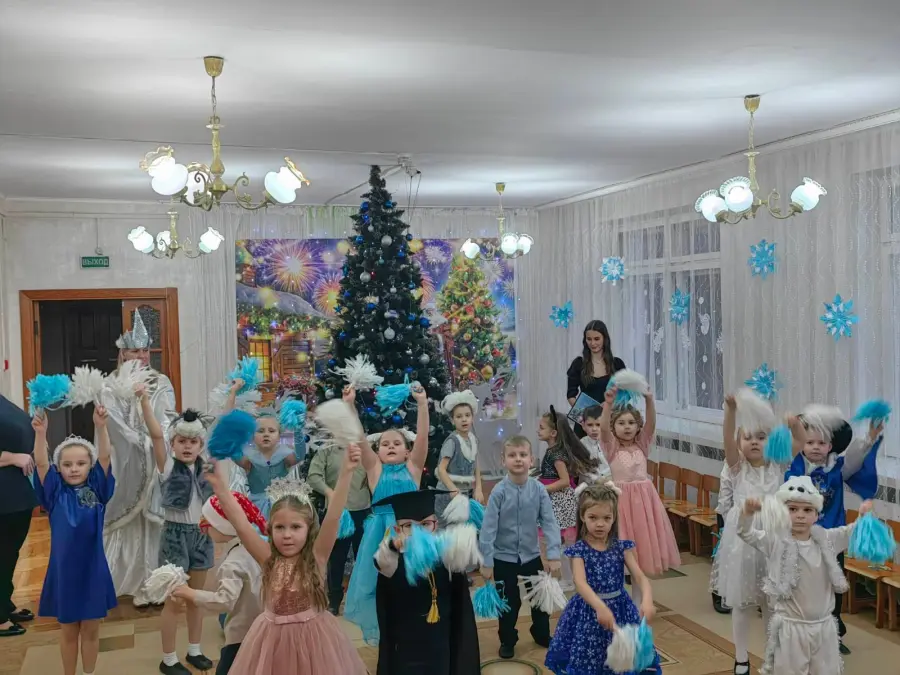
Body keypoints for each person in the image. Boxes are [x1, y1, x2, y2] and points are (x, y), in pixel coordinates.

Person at [205, 446, 368, 675]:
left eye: (296, 527)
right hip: (272, 642)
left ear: (309, 529)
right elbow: (241, 524)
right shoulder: (267, 557)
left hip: (315, 640)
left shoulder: (317, 556)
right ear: (270, 529)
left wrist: (347, 472)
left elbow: (333, 515)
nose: (287, 535)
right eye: (280, 527)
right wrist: (220, 488)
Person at [738, 476, 871, 675]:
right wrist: (747, 513)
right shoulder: (775, 541)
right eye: (792, 509)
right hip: (791, 629)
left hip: (823, 628)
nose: (800, 515)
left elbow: (851, 532)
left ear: (816, 515)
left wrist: (862, 516)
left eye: (807, 510)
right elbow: (746, 533)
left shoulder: (827, 540)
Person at [785, 406, 883, 655]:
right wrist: (794, 428)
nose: (816, 447)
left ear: (830, 446)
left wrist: (870, 437)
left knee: (834, 588)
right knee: (803, 586)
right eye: (810, 442)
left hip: (832, 539)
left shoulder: (838, 468)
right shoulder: (797, 467)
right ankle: (801, 631)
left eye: (822, 443)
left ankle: (833, 634)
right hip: (802, 540)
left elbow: (856, 458)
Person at [342, 384, 430, 645]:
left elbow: (423, 438)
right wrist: (350, 405)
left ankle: (413, 628)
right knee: (382, 584)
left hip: (410, 532)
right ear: (377, 451)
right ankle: (387, 630)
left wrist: (422, 404)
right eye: (385, 444)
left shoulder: (414, 468)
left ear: (407, 451)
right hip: (380, 535)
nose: (391, 447)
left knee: (411, 581)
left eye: (397, 443)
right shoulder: (374, 470)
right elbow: (359, 438)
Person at [32, 407, 117, 675]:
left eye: (81, 463)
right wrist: (41, 433)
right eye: (67, 465)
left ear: (90, 466)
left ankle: (89, 672)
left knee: (91, 629)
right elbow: (41, 463)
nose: (74, 469)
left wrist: (101, 427)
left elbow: (105, 456)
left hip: (93, 570)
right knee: (69, 630)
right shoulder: (54, 493)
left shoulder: (98, 488)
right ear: (59, 468)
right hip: (64, 573)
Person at [545, 483, 661, 675]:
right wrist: (600, 607)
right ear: (583, 516)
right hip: (588, 613)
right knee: (592, 661)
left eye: (606, 518)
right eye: (593, 517)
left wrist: (647, 601)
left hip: (621, 610)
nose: (600, 524)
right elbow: (580, 583)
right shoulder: (579, 550)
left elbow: (640, 577)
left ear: (614, 518)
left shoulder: (621, 547)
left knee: (624, 660)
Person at [101, 309, 177, 604]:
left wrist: (156, 441)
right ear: (123, 353)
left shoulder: (161, 381)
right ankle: (122, 579)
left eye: (145, 350)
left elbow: (167, 417)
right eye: (135, 350)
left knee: (154, 518)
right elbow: (113, 424)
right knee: (125, 515)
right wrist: (139, 440)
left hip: (155, 456)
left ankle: (154, 582)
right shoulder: (109, 385)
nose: (142, 356)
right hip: (125, 461)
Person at [710, 393, 787, 675]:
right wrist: (730, 411)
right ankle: (741, 658)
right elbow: (727, 439)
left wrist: (781, 420)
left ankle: (772, 656)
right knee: (741, 602)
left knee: (771, 602)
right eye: (748, 437)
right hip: (742, 539)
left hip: (773, 538)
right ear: (740, 442)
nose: (754, 442)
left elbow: (795, 442)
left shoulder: (778, 466)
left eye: (761, 437)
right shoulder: (737, 468)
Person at [140, 392, 216, 675]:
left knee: (196, 597)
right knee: (175, 601)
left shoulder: (207, 467)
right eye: (181, 441)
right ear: (173, 444)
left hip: (201, 535)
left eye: (193, 442)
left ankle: (194, 650)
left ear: (200, 445)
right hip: (175, 537)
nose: (187, 446)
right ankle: (169, 658)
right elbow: (155, 435)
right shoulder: (168, 466)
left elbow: (221, 434)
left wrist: (233, 394)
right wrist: (144, 401)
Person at [373, 489, 480, 674]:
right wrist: (393, 546)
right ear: (398, 530)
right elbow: (381, 559)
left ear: (435, 525)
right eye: (408, 526)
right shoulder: (392, 560)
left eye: (425, 524)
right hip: (406, 644)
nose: (418, 531)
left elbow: (464, 569)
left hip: (440, 641)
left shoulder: (445, 555)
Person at [479, 436, 561, 660]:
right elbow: (488, 528)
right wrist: (487, 560)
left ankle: (541, 633)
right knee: (509, 602)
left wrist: (553, 554)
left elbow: (549, 522)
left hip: (531, 556)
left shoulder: (539, 490)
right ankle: (507, 640)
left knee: (539, 599)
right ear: (503, 460)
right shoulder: (498, 491)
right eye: (512, 455)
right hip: (503, 558)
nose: (518, 459)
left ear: (531, 459)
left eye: (523, 455)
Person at [172, 490, 267, 675]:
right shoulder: (258, 547)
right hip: (263, 628)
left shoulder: (233, 563)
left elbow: (225, 601)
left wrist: (189, 592)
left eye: (208, 521)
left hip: (242, 635)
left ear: (224, 526)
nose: (203, 527)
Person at [598, 387, 679, 577]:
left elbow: (651, 423)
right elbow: (603, 429)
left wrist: (649, 400)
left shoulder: (642, 445)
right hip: (621, 501)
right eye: (621, 423)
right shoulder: (611, 448)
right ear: (614, 426)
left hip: (645, 502)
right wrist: (608, 404)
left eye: (631, 423)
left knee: (643, 538)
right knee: (624, 536)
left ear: (638, 426)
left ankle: (638, 589)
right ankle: (624, 580)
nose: (627, 427)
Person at [307, 432, 370, 615]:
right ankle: (334, 600)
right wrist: (329, 492)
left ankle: (362, 600)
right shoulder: (326, 450)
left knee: (364, 558)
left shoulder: (365, 449)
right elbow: (313, 476)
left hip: (363, 511)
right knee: (336, 558)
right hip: (338, 513)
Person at [537, 407, 598, 591]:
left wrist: (543, 488)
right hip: (553, 500)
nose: (538, 430)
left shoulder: (556, 455)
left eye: (541, 427)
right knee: (559, 542)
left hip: (560, 502)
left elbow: (564, 481)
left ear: (553, 433)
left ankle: (571, 578)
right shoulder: (552, 451)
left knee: (563, 542)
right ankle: (568, 578)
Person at [226, 379, 304, 518]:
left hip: (281, 509)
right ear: (252, 436)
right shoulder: (248, 459)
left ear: (279, 435)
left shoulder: (285, 456)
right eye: (260, 431)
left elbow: (300, 455)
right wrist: (232, 393)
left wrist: (298, 428)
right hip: (255, 511)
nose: (266, 434)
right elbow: (229, 433)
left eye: (271, 431)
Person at [0, 394, 38, 637]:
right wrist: (13, 457)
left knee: (9, 553)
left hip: (15, 495)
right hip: (3, 497)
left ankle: (5, 603)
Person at [566, 320, 626, 437]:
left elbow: (625, 394)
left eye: (597, 339)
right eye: (589, 339)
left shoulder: (617, 364)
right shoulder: (578, 364)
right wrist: (587, 416)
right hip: (585, 424)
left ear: (605, 339)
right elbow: (570, 395)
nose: (593, 343)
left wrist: (609, 407)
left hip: (610, 420)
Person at [435, 389, 484, 524]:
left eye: (467, 415)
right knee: (449, 528)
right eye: (459, 416)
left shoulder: (473, 440)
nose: (464, 419)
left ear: (472, 417)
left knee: (467, 526)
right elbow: (441, 469)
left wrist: (478, 488)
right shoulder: (452, 442)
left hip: (465, 492)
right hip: (448, 493)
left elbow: (476, 465)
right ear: (452, 420)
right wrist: (452, 489)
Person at [711, 461, 733, 615]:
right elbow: (725, 493)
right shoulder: (733, 463)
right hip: (731, 513)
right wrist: (727, 520)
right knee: (726, 555)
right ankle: (719, 593)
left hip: (760, 516)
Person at [579, 406, 612, 483]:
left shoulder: (612, 441)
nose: (594, 429)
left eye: (598, 425)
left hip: (611, 481)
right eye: (590, 425)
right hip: (590, 484)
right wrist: (597, 479)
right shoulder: (581, 444)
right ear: (583, 426)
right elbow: (582, 468)